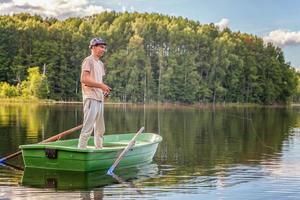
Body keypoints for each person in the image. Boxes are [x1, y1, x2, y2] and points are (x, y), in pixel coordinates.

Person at [78, 38, 111, 149]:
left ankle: (99, 150)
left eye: (104, 47)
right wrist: (101, 86)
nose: (103, 50)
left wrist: (103, 90)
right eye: (101, 47)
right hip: (90, 98)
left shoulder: (100, 64)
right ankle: (81, 150)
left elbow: (98, 81)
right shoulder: (88, 60)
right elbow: (84, 79)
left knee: (100, 129)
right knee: (88, 128)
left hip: (99, 99)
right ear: (93, 47)